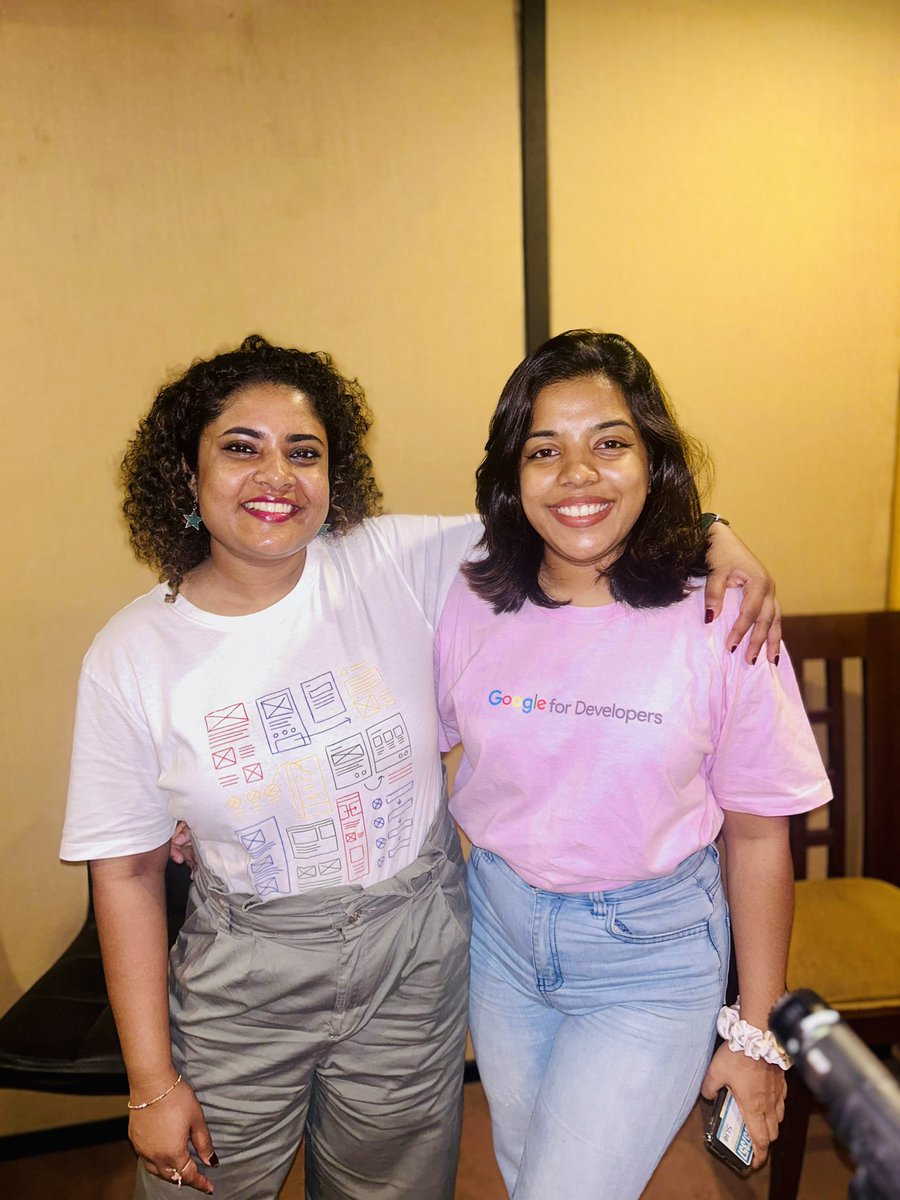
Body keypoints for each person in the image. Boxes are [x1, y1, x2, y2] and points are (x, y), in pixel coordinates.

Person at [60, 333, 778, 1199]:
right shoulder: (130, 655)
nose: (276, 476)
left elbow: (576, 509)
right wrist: (152, 1081)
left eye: (304, 452)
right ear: (186, 474)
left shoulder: (397, 562)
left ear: (336, 472)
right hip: (248, 972)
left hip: (417, 953)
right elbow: (127, 874)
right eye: (240, 449)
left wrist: (712, 532)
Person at [435, 330, 831, 1200]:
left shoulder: (724, 618)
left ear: (654, 460)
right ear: (512, 475)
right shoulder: (470, 597)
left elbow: (762, 837)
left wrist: (755, 1033)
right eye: (546, 451)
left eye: (609, 443)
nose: (579, 474)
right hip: (502, 936)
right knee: (530, 1173)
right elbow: (396, 741)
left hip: (651, 954)